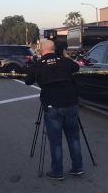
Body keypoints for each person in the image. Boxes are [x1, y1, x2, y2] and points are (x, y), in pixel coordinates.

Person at [25, 39, 83, 181]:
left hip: (52, 106)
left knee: (55, 141)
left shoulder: (39, 65)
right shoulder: (65, 61)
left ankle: (57, 171)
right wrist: (65, 55)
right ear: (55, 49)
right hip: (71, 103)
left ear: (41, 50)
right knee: (74, 138)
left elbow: (28, 81)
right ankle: (77, 168)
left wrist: (34, 65)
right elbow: (77, 67)